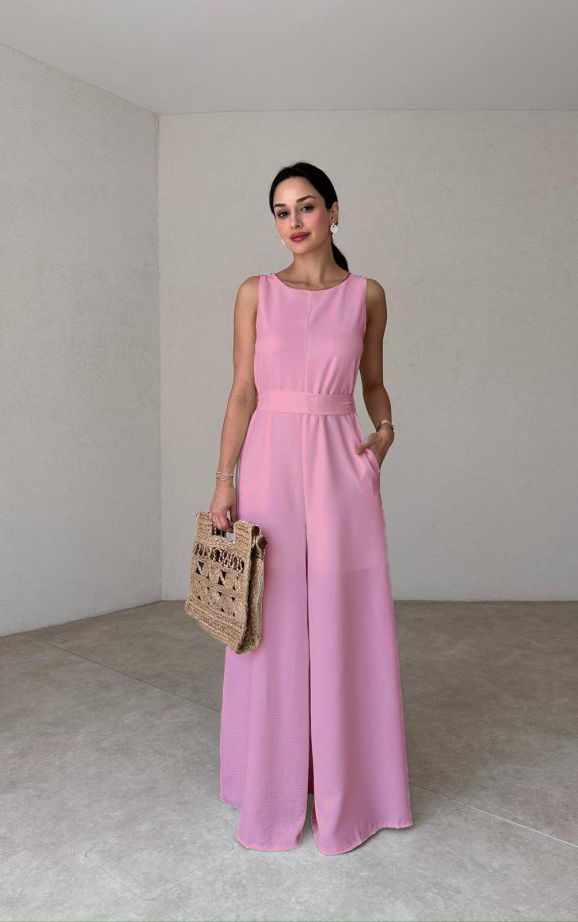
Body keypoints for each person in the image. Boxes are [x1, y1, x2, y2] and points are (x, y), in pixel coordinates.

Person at [210, 161, 413, 855]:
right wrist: (224, 479)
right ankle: (266, 784)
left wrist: (383, 434)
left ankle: (351, 790)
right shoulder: (255, 292)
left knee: (341, 617)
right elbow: (243, 391)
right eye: (280, 211)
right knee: (269, 620)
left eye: (305, 206)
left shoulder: (367, 295)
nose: (293, 222)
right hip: (268, 461)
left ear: (333, 210)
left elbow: (373, 382)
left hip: (338, 463)